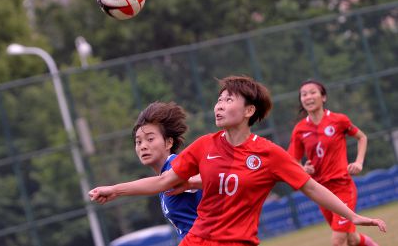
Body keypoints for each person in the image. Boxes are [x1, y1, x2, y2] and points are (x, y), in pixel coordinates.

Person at [89, 75, 386, 246]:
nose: (219, 105)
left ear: (248, 111)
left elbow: (310, 187)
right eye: (219, 100)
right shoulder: (204, 146)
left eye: (228, 99)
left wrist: (352, 214)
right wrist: (115, 189)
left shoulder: (268, 154)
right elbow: (163, 181)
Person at [288, 79, 379, 246]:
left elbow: (362, 137)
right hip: (321, 192)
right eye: (304, 94)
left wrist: (359, 162)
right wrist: (303, 169)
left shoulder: (339, 120)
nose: (308, 97)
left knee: (338, 240)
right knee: (351, 239)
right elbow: (292, 160)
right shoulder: (300, 129)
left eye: (312, 92)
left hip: (343, 186)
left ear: (323, 97)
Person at [133, 101, 202, 238]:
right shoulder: (164, 175)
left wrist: (114, 190)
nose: (143, 146)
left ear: (168, 142)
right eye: (138, 142)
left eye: (150, 139)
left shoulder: (176, 165)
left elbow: (204, 177)